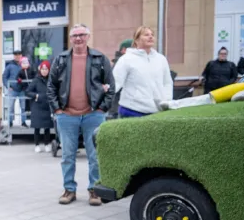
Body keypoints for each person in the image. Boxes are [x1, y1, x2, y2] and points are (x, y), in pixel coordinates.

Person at [47, 24, 114, 206]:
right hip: (67, 116)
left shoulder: (100, 59)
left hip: (93, 115)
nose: (78, 39)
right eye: (75, 35)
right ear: (70, 39)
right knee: (67, 155)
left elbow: (111, 86)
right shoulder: (60, 59)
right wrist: (57, 110)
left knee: (94, 156)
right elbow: (51, 86)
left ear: (88, 37)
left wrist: (102, 109)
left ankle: (94, 190)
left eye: (82, 35)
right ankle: (69, 190)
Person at [111, 26, 173, 117]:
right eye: (146, 35)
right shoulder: (126, 59)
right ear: (136, 40)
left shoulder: (161, 59)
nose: (150, 37)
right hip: (131, 111)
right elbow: (115, 83)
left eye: (152, 35)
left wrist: (167, 100)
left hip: (157, 111)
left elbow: (167, 82)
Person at [24, 60, 53, 152]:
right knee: (37, 127)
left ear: (49, 70)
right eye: (43, 69)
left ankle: (47, 144)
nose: (44, 71)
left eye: (46, 69)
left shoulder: (51, 80)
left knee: (47, 128)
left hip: (47, 107)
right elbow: (27, 92)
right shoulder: (36, 80)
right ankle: (36, 144)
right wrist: (36, 95)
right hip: (37, 107)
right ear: (40, 70)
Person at [2, 49, 27, 127]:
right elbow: (4, 77)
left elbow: (28, 75)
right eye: (16, 55)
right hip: (12, 90)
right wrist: (8, 86)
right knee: (11, 107)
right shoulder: (10, 66)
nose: (17, 56)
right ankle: (10, 122)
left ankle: (23, 122)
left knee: (23, 107)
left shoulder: (24, 65)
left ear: (21, 56)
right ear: (14, 56)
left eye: (19, 55)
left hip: (22, 89)